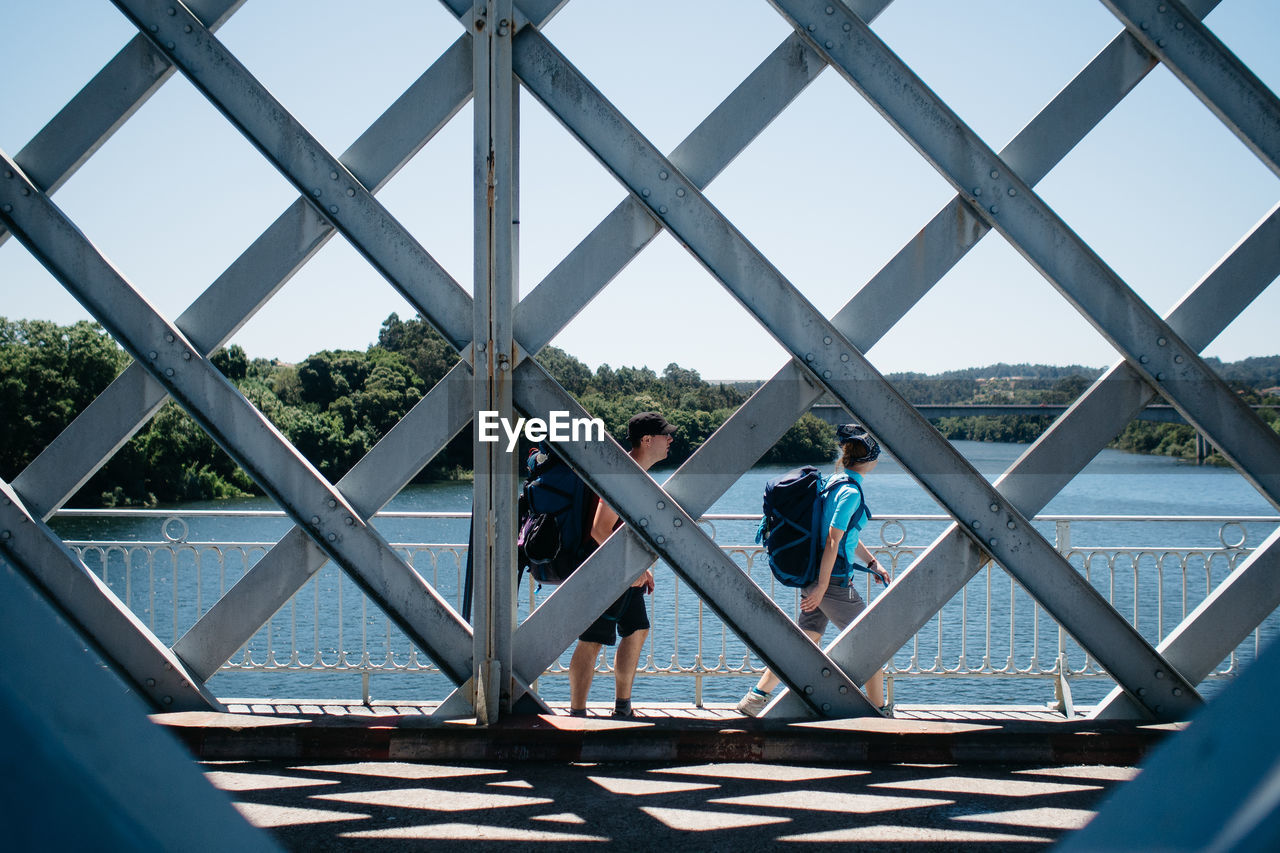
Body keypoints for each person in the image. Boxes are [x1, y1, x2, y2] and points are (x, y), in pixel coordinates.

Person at [736, 422, 892, 717]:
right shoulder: (851, 493)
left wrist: (872, 562)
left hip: (816, 577)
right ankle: (879, 712)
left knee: (804, 642)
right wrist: (822, 588)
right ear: (869, 459)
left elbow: (844, 536)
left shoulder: (834, 482)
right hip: (830, 582)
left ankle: (755, 699)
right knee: (872, 643)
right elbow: (833, 540)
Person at [567, 411, 676, 718]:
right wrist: (634, 567)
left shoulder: (635, 473)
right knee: (592, 640)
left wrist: (641, 568)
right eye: (665, 434)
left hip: (624, 573)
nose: (670, 439)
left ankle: (622, 707)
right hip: (606, 572)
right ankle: (577, 713)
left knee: (637, 630)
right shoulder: (623, 475)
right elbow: (600, 529)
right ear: (646, 440)